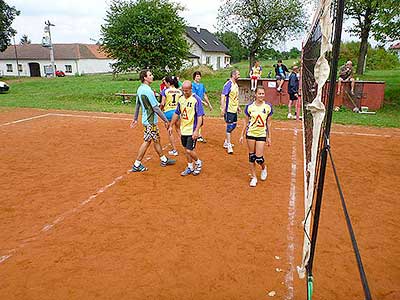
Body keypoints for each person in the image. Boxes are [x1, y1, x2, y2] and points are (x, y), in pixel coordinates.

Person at [130, 69, 176, 172]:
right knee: (147, 141)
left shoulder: (140, 89)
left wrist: (135, 119)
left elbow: (137, 105)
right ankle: (137, 164)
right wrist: (165, 120)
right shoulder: (148, 90)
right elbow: (156, 108)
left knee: (156, 139)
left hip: (148, 120)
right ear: (145, 78)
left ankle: (163, 159)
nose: (152, 76)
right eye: (150, 75)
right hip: (150, 121)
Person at [169, 81, 205, 176]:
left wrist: (197, 130)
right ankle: (190, 166)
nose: (185, 92)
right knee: (186, 149)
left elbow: (200, 116)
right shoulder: (181, 99)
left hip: (192, 130)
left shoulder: (196, 99)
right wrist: (171, 125)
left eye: (187, 91)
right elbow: (177, 113)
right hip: (183, 129)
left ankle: (198, 162)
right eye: (183, 91)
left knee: (189, 150)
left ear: (191, 89)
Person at [239, 86, 273, 187]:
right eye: (259, 94)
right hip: (250, 134)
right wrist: (241, 135)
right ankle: (253, 177)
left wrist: (269, 137)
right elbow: (245, 122)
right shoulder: (249, 107)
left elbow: (269, 123)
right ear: (255, 94)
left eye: (263, 94)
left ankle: (263, 168)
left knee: (259, 158)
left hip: (261, 134)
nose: (261, 95)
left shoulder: (267, 107)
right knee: (251, 157)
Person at [160, 75, 182, 156]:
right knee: (178, 129)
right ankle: (186, 147)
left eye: (165, 82)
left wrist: (160, 110)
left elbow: (162, 103)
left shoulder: (165, 91)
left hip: (168, 112)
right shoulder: (179, 91)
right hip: (177, 112)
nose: (164, 84)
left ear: (168, 83)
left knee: (170, 131)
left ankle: (174, 150)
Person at [221, 69, 241, 154]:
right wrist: (222, 108)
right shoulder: (228, 84)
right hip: (228, 109)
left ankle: (226, 141)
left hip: (234, 108)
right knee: (229, 126)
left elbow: (235, 97)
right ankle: (228, 144)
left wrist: (238, 106)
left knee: (234, 124)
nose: (239, 76)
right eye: (238, 74)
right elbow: (223, 96)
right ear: (233, 75)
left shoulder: (236, 85)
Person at [192, 71, 213, 143]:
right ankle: (196, 134)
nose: (198, 77)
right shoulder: (193, 85)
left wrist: (209, 104)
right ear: (194, 77)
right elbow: (194, 95)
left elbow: (204, 95)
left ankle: (198, 135)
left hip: (200, 105)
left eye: (199, 76)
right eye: (197, 76)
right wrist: (203, 102)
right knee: (195, 119)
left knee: (200, 120)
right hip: (195, 104)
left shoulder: (202, 85)